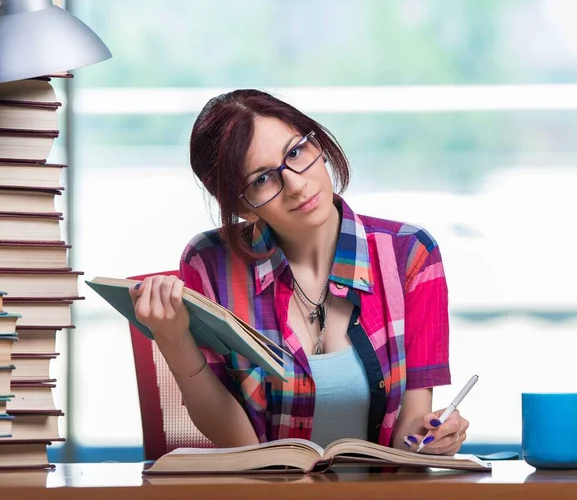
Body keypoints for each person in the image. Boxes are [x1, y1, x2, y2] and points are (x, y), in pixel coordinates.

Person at [129, 89, 470, 454]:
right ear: (240, 207)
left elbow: (407, 439)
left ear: (318, 144)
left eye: (295, 152)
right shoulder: (209, 263)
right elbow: (242, 447)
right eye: (261, 179)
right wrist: (172, 340)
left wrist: (429, 437)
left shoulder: (410, 255)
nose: (295, 184)